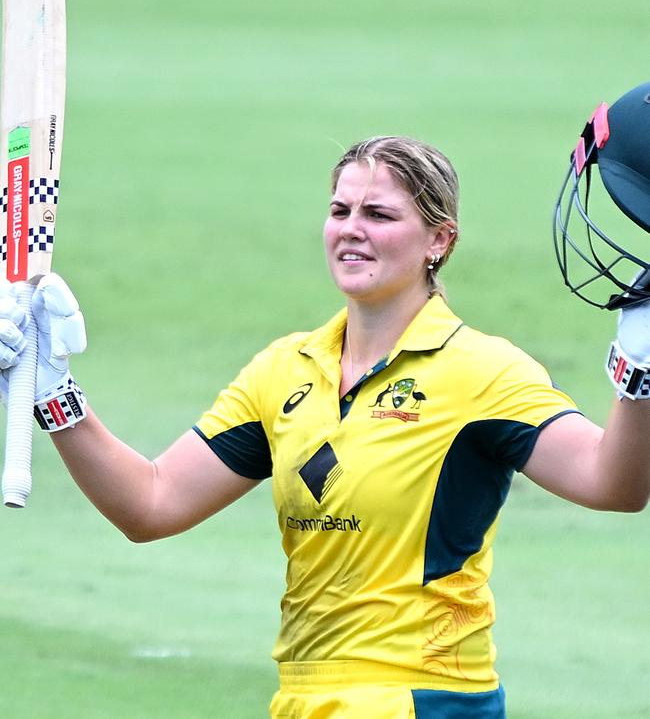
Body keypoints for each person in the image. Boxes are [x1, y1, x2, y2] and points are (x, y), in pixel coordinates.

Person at [0, 134, 648, 719]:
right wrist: (56, 393)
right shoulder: (284, 369)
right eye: (340, 211)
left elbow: (611, 482)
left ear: (439, 240)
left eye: (379, 214)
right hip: (303, 696)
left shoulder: (482, 372)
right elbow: (150, 503)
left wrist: (639, 379)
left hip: (425, 696)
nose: (351, 230)